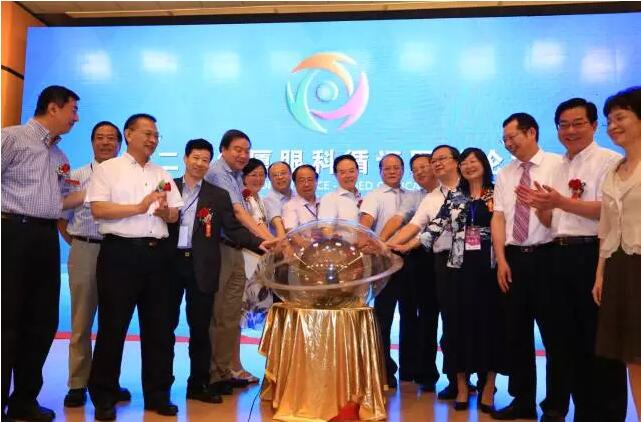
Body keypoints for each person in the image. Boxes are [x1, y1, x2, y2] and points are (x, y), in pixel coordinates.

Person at [518, 98, 625, 421]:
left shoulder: (610, 161)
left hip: (592, 254)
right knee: (568, 342)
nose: (570, 131)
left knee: (600, 342)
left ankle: (607, 414)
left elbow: (609, 210)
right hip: (559, 254)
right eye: (563, 125)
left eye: (578, 123)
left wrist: (561, 202)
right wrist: (542, 207)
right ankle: (584, 411)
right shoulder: (559, 166)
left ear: (594, 126)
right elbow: (554, 221)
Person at [86, 113, 183, 420]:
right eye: (147, 133)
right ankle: (104, 396)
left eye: (156, 135)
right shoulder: (108, 169)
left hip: (158, 257)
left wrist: (164, 212)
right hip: (120, 255)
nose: (153, 140)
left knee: (159, 329)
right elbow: (99, 209)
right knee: (113, 327)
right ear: (129, 134)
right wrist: (139, 207)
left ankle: (158, 395)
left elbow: (174, 215)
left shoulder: (161, 172)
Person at [2, 85, 83, 421]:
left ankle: (24, 400)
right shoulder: (12, 138)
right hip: (11, 233)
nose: (76, 118)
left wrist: (96, 191)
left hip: (45, 237)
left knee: (42, 320)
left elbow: (60, 201)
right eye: (73, 110)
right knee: (6, 318)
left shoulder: (59, 157)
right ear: (53, 108)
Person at [168, 139, 268, 405]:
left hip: (203, 264)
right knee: (164, 327)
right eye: (195, 158)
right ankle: (160, 386)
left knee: (201, 327)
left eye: (204, 159)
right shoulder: (168, 187)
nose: (200, 164)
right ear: (185, 158)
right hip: (170, 266)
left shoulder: (217, 194)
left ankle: (199, 383)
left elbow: (233, 228)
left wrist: (260, 243)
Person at [419, 148, 506, 412]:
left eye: (473, 161)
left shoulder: (497, 193)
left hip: (489, 267)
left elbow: (506, 225)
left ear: (484, 164)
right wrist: (399, 246)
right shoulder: (456, 196)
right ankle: (461, 385)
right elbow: (434, 227)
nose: (469, 166)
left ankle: (488, 386)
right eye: (465, 163)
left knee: (489, 326)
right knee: (457, 326)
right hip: (458, 267)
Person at [490, 112, 564, 421]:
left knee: (555, 335)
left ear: (531, 132)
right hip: (513, 259)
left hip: (549, 256)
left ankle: (556, 405)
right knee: (516, 333)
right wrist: (501, 260)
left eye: (512, 137)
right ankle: (522, 401)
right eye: (504, 140)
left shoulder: (558, 165)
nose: (508, 144)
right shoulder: (505, 174)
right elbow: (499, 217)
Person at [58, 121, 132, 408]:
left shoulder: (126, 178)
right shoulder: (76, 176)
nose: (105, 143)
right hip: (86, 249)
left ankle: (107, 382)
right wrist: (78, 243)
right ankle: (77, 383)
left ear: (120, 144)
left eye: (111, 138)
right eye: (99, 137)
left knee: (114, 323)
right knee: (81, 321)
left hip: (118, 251)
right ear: (92, 142)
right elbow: (61, 216)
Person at [387, 145, 470, 400]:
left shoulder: (473, 189)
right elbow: (417, 228)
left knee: (472, 322)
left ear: (457, 161)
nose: (436, 164)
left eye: (440, 159)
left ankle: (481, 381)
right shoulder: (432, 198)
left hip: (474, 262)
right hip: (443, 261)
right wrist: (385, 246)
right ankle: (457, 381)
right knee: (450, 323)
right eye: (434, 160)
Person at [204, 130, 274, 395]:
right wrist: (268, 240)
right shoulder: (218, 173)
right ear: (223, 149)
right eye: (238, 149)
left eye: (247, 150)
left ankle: (224, 372)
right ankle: (215, 374)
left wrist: (267, 240)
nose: (243, 155)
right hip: (222, 249)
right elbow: (238, 212)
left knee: (231, 315)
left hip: (236, 248)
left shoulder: (235, 176)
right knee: (221, 313)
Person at [592, 86, 641, 420]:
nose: (612, 126)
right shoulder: (613, 170)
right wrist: (600, 273)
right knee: (631, 354)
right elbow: (606, 228)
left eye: (620, 118)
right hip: (619, 266)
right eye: (609, 120)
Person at [378, 153, 440, 391]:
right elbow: (399, 219)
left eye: (424, 166)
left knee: (432, 317)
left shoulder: (449, 194)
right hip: (414, 258)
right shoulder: (414, 197)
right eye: (415, 169)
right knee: (409, 314)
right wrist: (381, 242)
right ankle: (409, 370)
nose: (420, 172)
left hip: (441, 259)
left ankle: (429, 373)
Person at [359, 154, 407, 389]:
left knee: (410, 317)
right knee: (383, 319)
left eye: (396, 167)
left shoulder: (410, 195)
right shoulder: (374, 196)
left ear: (403, 170)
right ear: (379, 172)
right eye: (387, 168)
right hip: (384, 264)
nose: (392, 171)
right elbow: (363, 227)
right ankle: (384, 369)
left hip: (411, 260)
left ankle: (410, 369)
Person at [318, 154, 361, 223]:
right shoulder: (330, 199)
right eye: (343, 172)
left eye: (351, 171)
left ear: (358, 171)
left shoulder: (362, 198)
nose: (348, 175)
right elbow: (326, 228)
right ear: (335, 175)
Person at [281, 164, 320, 231]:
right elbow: (291, 233)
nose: (306, 184)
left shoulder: (324, 202)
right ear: (295, 184)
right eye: (302, 180)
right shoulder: (290, 206)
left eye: (310, 180)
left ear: (316, 182)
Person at [264, 160, 293, 236]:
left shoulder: (298, 196)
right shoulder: (268, 201)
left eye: (283, 173)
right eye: (275, 175)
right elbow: (281, 227)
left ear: (291, 175)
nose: (280, 177)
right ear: (269, 179)